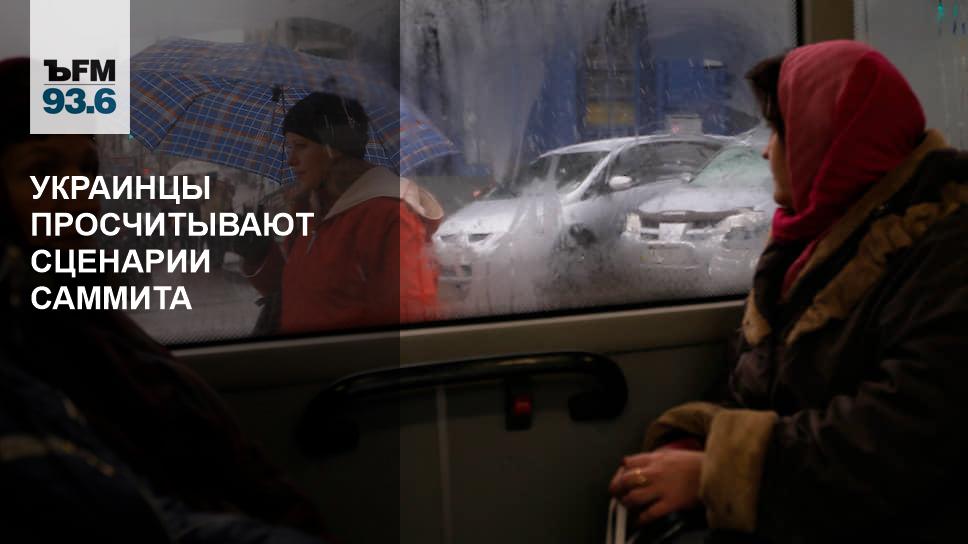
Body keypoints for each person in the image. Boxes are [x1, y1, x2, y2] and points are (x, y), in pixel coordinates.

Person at [608, 40, 968, 543]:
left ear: (831, 140)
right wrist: (693, 440)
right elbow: (758, 380)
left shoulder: (945, 253)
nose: (765, 149)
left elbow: (901, 436)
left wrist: (718, 472)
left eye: (780, 131)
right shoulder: (814, 241)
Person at [0, 57, 327, 542]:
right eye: (41, 171)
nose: (76, 196)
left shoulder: (86, 314)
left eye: (87, 170)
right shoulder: (38, 338)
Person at [238, 92, 443, 335]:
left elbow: (410, 324)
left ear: (333, 149)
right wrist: (260, 255)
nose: (291, 159)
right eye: (290, 147)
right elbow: (300, 291)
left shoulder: (388, 216)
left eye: (301, 146)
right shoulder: (312, 209)